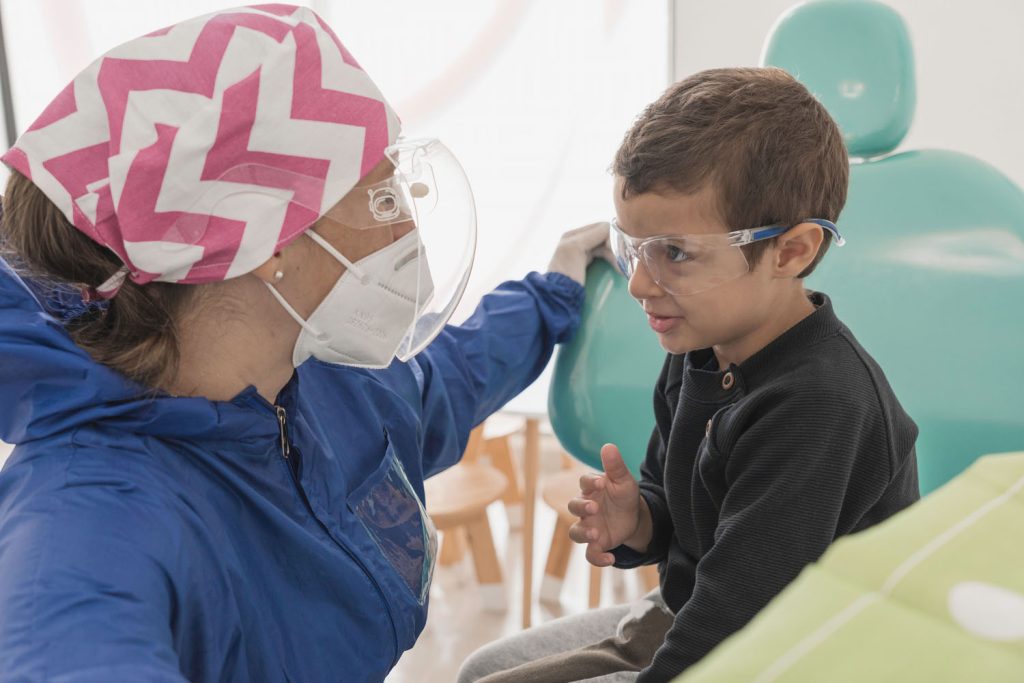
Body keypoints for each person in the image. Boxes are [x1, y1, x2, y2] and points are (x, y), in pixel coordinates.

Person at [0, 6, 610, 682]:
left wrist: (549, 296)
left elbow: (434, 387)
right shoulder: (87, 526)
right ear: (268, 240)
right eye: (384, 198)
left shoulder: (307, 377)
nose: (405, 226)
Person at [458, 67, 920, 683]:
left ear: (791, 251)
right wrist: (638, 521)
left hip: (796, 654)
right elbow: (678, 516)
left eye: (674, 253)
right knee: (484, 670)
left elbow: (736, 624)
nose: (639, 284)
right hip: (696, 613)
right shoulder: (701, 348)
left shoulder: (819, 403)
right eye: (635, 248)